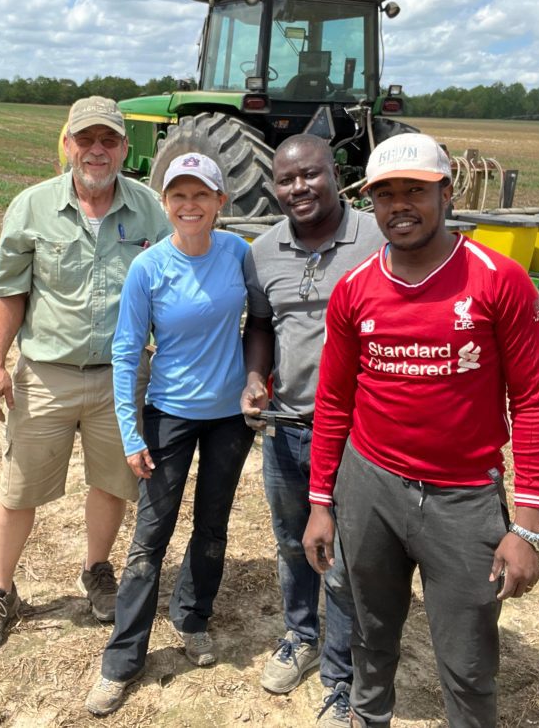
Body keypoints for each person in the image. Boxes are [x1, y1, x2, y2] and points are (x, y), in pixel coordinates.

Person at [303, 133, 539, 728]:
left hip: (463, 498)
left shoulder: (499, 280)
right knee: (370, 637)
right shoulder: (354, 289)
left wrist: (528, 526)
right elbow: (335, 401)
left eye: (415, 190)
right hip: (370, 489)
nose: (399, 206)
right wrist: (322, 501)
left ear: (447, 192)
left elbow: (534, 402)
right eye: (384, 194)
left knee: (468, 663)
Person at [0, 96, 171, 657]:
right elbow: (9, 291)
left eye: (109, 140)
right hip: (46, 375)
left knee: (111, 481)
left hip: (120, 380)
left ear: (126, 149)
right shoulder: (31, 208)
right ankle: (0, 590)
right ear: (68, 145)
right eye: (87, 140)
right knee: (18, 488)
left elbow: (172, 284)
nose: (97, 151)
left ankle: (97, 571)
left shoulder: (150, 210)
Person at [86, 153, 255, 716]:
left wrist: (259, 379)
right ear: (165, 204)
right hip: (170, 416)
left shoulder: (238, 253)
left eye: (201, 195)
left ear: (219, 203)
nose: (190, 206)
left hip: (229, 417)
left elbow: (261, 323)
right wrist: (131, 434)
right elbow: (127, 349)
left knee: (212, 526)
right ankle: (122, 658)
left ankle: (192, 617)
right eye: (178, 196)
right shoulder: (150, 268)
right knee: (149, 538)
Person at [240, 134, 384, 727]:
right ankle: (299, 635)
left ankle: (341, 674)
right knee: (294, 541)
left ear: (336, 175)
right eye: (286, 179)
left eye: (311, 175)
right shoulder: (263, 250)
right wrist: (255, 377)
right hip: (289, 427)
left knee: (345, 556)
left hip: (358, 435)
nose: (298, 188)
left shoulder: (377, 240)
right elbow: (262, 324)